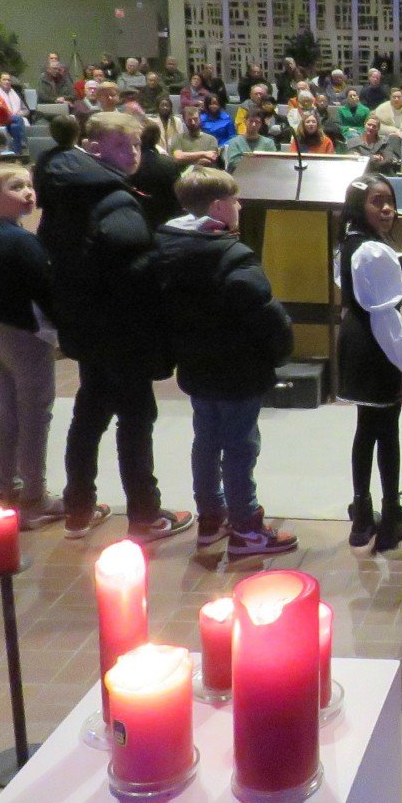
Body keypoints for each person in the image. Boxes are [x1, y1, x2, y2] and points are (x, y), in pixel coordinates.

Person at [41, 112, 189, 542]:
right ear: (94, 149)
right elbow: (132, 266)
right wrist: (165, 258)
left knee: (89, 413)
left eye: (138, 146)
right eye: (122, 146)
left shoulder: (67, 192)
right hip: (122, 331)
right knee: (136, 418)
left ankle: (78, 509)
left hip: (86, 326)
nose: (133, 155)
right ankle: (145, 515)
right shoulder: (116, 199)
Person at [154, 167, 299, 556]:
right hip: (237, 369)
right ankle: (247, 528)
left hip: (196, 366)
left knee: (206, 440)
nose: (240, 206)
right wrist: (282, 350)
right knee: (240, 446)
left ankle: (211, 517)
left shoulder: (166, 245)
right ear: (218, 207)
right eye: (235, 200)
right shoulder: (231, 255)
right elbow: (265, 315)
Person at [335, 172, 402, 552]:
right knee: (387, 433)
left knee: (365, 428)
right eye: (377, 202)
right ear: (359, 207)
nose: (387, 209)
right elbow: (387, 317)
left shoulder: (349, 242)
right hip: (375, 346)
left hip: (354, 337)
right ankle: (390, 518)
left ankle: (362, 517)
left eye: (390, 201)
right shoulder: (375, 250)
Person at [0, 164, 63, 527]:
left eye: (29, 186)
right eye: (17, 187)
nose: (28, 193)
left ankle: (8, 489)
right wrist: (65, 328)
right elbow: (46, 290)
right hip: (25, 335)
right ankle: (34, 497)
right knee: (34, 418)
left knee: (8, 415)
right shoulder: (21, 240)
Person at [222, 107, 278, 173]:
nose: (254, 125)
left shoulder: (269, 143)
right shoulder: (234, 142)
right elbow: (234, 162)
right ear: (245, 122)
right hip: (239, 175)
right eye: (251, 121)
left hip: (262, 176)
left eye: (257, 122)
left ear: (261, 124)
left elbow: (272, 162)